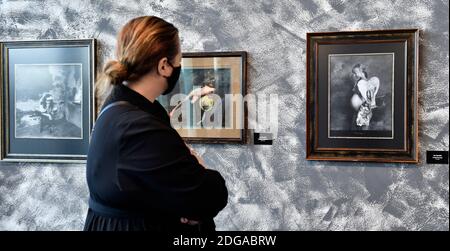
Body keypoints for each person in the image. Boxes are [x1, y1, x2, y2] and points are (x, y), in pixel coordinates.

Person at [84, 16, 228, 232]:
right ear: (164, 66)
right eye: (179, 60)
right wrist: (199, 168)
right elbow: (208, 196)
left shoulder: (119, 107)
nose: (179, 66)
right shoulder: (137, 127)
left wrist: (182, 206)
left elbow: (151, 185)